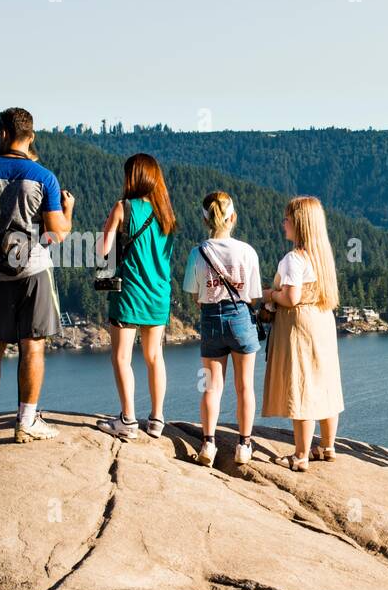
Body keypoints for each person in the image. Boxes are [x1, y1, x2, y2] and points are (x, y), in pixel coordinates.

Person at [0, 108, 73, 443]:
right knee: (33, 346)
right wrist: (67, 211)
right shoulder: (43, 177)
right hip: (34, 271)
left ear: (3, 133)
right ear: (31, 136)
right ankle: (26, 421)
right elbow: (56, 232)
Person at [95, 154, 176, 442]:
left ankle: (127, 418)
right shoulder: (165, 213)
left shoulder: (123, 208)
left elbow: (102, 252)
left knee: (121, 357)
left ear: (133, 177)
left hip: (129, 293)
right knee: (155, 357)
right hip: (158, 294)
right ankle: (157, 419)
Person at [262, 195, 344, 471]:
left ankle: (300, 455)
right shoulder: (323, 256)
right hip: (322, 320)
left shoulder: (293, 259)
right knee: (325, 382)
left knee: (302, 385)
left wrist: (268, 295)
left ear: (299, 224)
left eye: (286, 219)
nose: (282, 223)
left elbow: (291, 298)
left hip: (299, 325)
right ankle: (328, 446)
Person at [182, 191, 263, 467]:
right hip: (240, 317)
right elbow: (252, 295)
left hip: (211, 320)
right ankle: (244, 444)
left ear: (205, 220)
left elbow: (194, 294)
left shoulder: (198, 252)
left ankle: (208, 443)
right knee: (245, 387)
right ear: (233, 218)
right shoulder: (247, 251)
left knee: (210, 387)